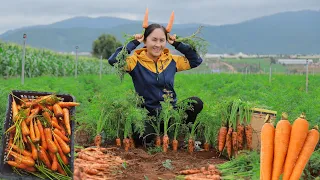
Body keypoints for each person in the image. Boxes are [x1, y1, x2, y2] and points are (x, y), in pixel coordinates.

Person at [108, 23, 204, 145]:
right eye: (153, 40)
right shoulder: (134, 61)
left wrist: (177, 44)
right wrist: (133, 43)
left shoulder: (171, 60)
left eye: (162, 40)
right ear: (145, 41)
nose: (158, 45)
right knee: (143, 137)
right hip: (147, 115)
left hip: (170, 112)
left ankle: (185, 136)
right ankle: (156, 134)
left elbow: (196, 60)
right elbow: (114, 60)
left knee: (196, 102)